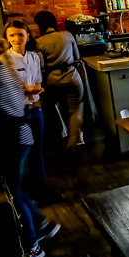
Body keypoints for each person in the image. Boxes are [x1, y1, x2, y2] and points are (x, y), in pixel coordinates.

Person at [0, 39, 60, 257]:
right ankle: (42, 223)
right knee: (13, 187)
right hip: (17, 136)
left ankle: (33, 247)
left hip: (13, 139)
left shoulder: (1, 72)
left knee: (12, 191)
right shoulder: (5, 68)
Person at [3, 20, 61, 204]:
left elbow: (37, 81)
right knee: (18, 156)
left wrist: (37, 89)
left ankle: (40, 190)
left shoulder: (35, 57)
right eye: (11, 35)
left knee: (38, 152)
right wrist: (24, 91)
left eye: (20, 34)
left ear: (28, 36)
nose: (16, 38)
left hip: (35, 109)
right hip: (16, 115)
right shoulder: (4, 60)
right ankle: (15, 195)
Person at [34, 11, 84, 153]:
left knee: (54, 107)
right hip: (71, 76)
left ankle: (62, 135)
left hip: (52, 79)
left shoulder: (39, 42)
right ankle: (76, 139)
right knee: (74, 110)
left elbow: (41, 66)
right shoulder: (67, 35)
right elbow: (77, 56)